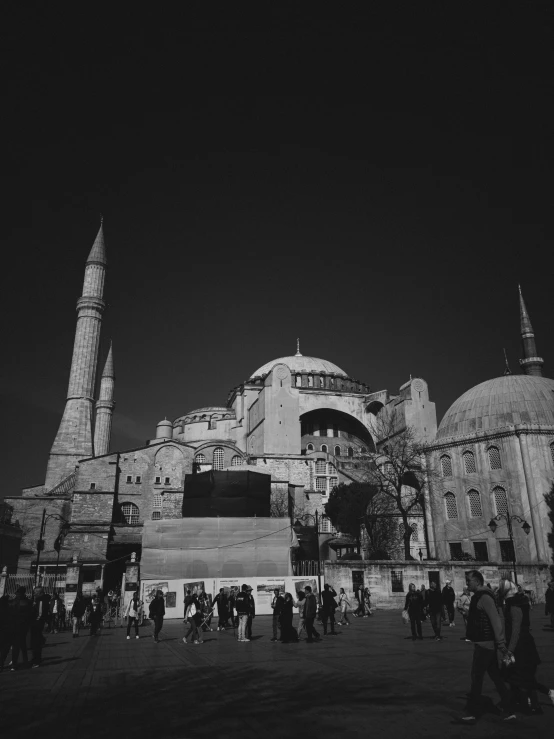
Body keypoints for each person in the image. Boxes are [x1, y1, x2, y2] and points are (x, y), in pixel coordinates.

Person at [459, 570, 515, 725]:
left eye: (469, 580)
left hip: (485, 644)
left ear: (477, 581)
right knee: (495, 677)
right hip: (484, 643)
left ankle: (474, 712)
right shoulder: (480, 596)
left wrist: (501, 644)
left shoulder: (484, 597)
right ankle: (509, 709)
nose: (467, 583)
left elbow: (496, 621)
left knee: (476, 677)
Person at [498, 579, 554, 715]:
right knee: (521, 675)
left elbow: (516, 631)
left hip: (522, 646)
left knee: (523, 676)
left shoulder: (514, 606)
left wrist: (509, 651)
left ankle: (539, 699)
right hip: (523, 644)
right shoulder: (515, 603)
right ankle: (529, 702)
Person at [5, 587, 32, 670]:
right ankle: (25, 661)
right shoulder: (27, 602)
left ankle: (14, 663)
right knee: (23, 645)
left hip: (14, 626)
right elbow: (29, 615)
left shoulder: (13, 602)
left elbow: (9, 613)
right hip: (23, 626)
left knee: (15, 646)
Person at [30, 586, 50, 667]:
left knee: (36, 643)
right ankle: (36, 658)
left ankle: (37, 660)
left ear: (40, 593)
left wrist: (35, 622)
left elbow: (40, 613)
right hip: (37, 623)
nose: (34, 594)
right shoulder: (38, 600)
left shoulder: (41, 600)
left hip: (37, 624)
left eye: (36, 592)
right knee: (35, 643)